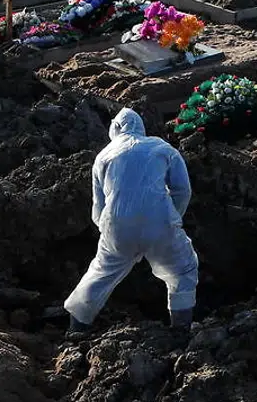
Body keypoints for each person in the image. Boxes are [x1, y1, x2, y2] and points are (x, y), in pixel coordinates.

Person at [65, 108, 199, 332]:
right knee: (182, 270)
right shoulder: (162, 148)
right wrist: (172, 218)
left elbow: (98, 208)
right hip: (160, 223)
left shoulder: (103, 156)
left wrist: (112, 230)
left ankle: (76, 329)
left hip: (117, 227)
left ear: (116, 128)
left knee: (100, 274)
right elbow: (182, 190)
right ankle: (181, 329)